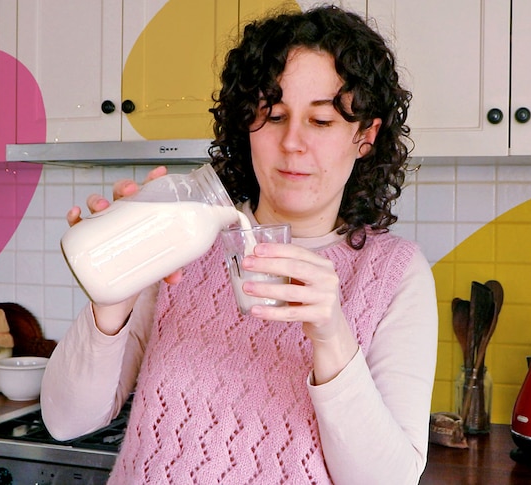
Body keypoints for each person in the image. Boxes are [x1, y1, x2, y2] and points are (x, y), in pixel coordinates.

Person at [41, 5, 438, 484]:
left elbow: (388, 479)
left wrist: (332, 336)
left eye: (321, 122)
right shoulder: (186, 237)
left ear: (365, 136)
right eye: (273, 116)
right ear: (246, 123)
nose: (292, 142)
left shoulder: (394, 273)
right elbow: (67, 420)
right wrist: (114, 296)